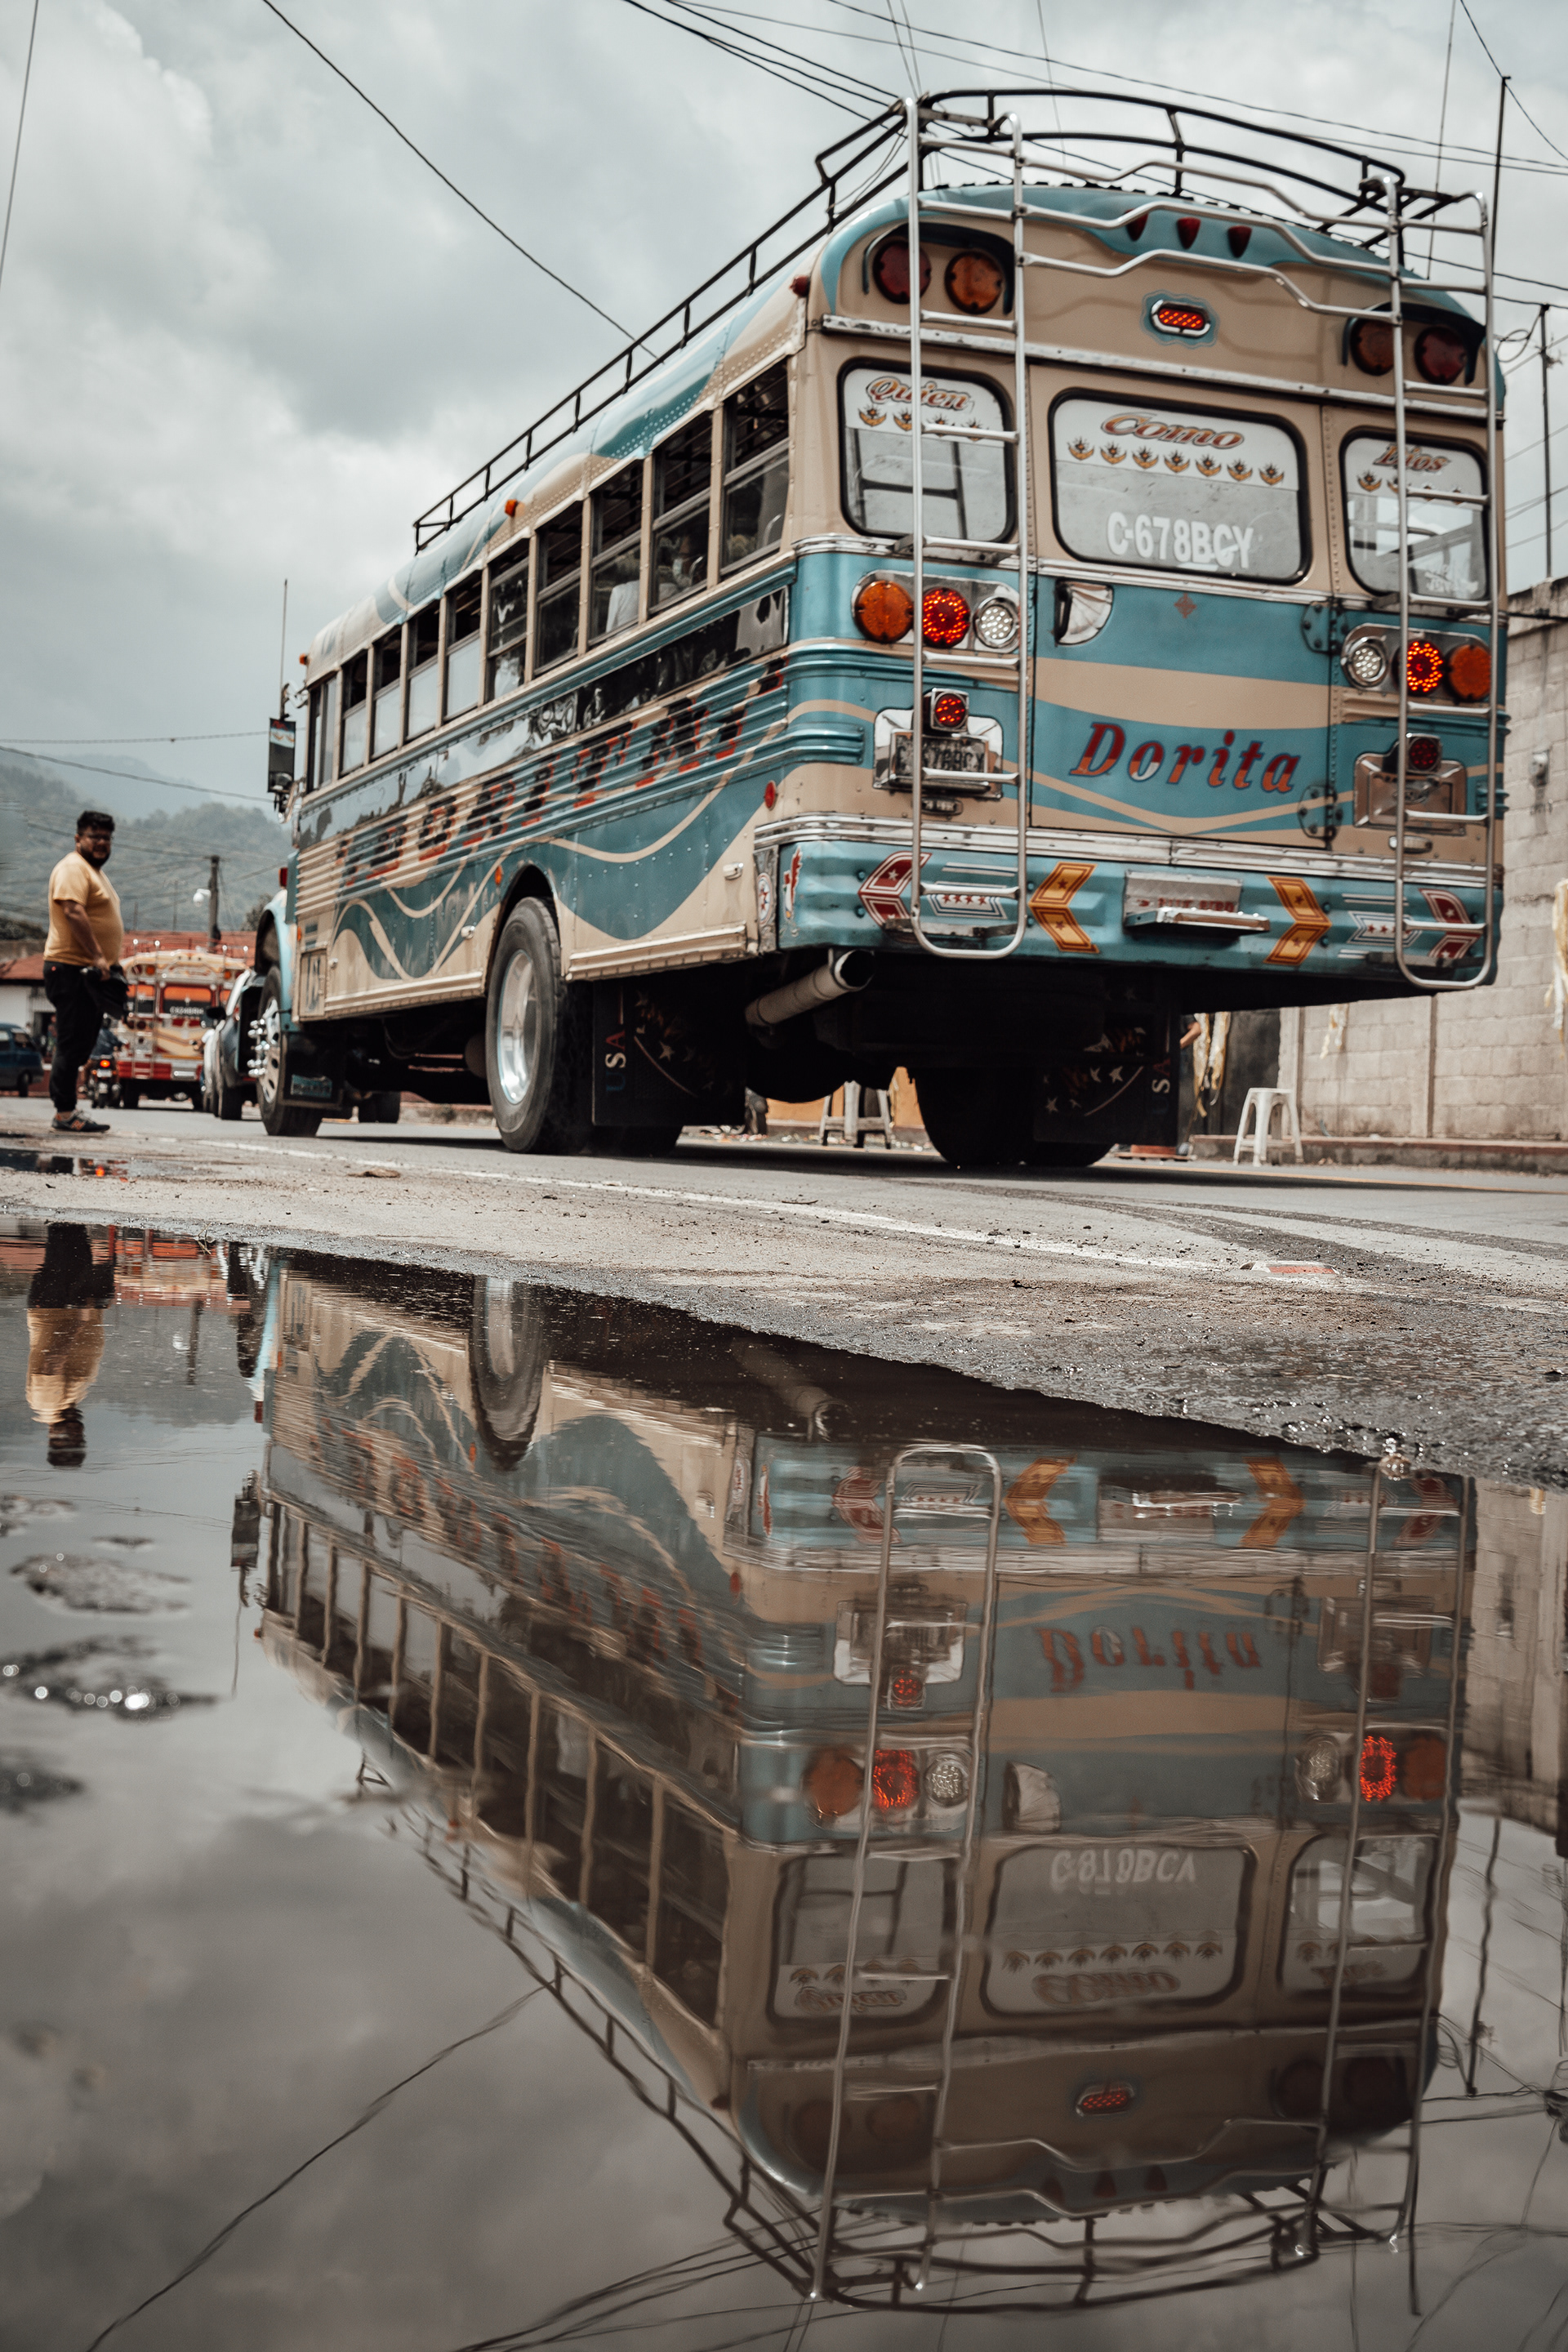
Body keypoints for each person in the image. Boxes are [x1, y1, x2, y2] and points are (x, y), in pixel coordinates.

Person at [43, 809, 124, 1135]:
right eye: (95, 837)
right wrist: (97, 956)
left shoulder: (93, 873)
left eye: (107, 838)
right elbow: (73, 911)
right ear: (78, 839)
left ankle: (69, 1110)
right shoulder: (72, 868)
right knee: (72, 1041)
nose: (102, 843)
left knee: (83, 1042)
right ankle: (64, 1113)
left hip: (88, 972)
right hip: (71, 967)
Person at [26, 1223, 114, 1467]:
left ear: (52, 1437)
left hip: (59, 1305)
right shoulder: (64, 1406)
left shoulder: (47, 1405)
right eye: (79, 1440)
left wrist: (79, 1320)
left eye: (68, 1439)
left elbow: (52, 1361)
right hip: (69, 1304)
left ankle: (59, 1194)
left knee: (65, 1235)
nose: (76, 1434)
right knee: (74, 1238)